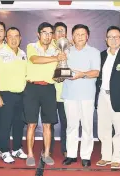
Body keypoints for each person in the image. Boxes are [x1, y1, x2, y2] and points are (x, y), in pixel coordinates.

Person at [24, 22, 66, 166]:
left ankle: (46, 154)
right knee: (32, 124)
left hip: (49, 88)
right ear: (38, 34)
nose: (47, 36)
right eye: (44, 32)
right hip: (32, 88)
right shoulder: (31, 46)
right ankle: (30, 154)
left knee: (48, 124)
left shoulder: (57, 49)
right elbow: (35, 60)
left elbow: (59, 71)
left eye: (50, 33)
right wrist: (56, 58)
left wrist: (61, 72)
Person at [96, 26, 120, 169]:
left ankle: (116, 158)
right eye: (110, 37)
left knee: (119, 130)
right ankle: (105, 156)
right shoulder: (101, 55)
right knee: (103, 128)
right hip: (102, 96)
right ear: (106, 40)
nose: (113, 39)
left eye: (116, 36)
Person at [61, 24, 100, 167]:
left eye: (83, 34)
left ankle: (85, 155)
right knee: (71, 126)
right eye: (77, 34)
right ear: (72, 37)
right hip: (69, 94)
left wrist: (81, 74)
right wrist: (65, 72)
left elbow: (96, 72)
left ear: (87, 36)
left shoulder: (94, 52)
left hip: (87, 95)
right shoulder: (66, 51)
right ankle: (71, 154)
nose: (80, 37)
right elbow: (61, 71)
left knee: (87, 126)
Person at [0, 27, 28, 163]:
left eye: (16, 36)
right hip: (5, 94)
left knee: (19, 124)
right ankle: (4, 150)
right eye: (10, 36)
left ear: (20, 38)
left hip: (21, 95)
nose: (14, 39)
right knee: (4, 124)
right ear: (6, 39)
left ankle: (17, 148)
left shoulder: (23, 54)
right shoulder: (0, 54)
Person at [49, 22, 69, 157]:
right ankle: (48, 149)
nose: (61, 34)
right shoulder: (48, 49)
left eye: (63, 32)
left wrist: (63, 75)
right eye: (58, 31)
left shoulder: (71, 49)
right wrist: (57, 76)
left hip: (66, 93)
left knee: (66, 123)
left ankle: (65, 149)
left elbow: (72, 69)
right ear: (54, 34)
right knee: (48, 124)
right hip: (50, 92)